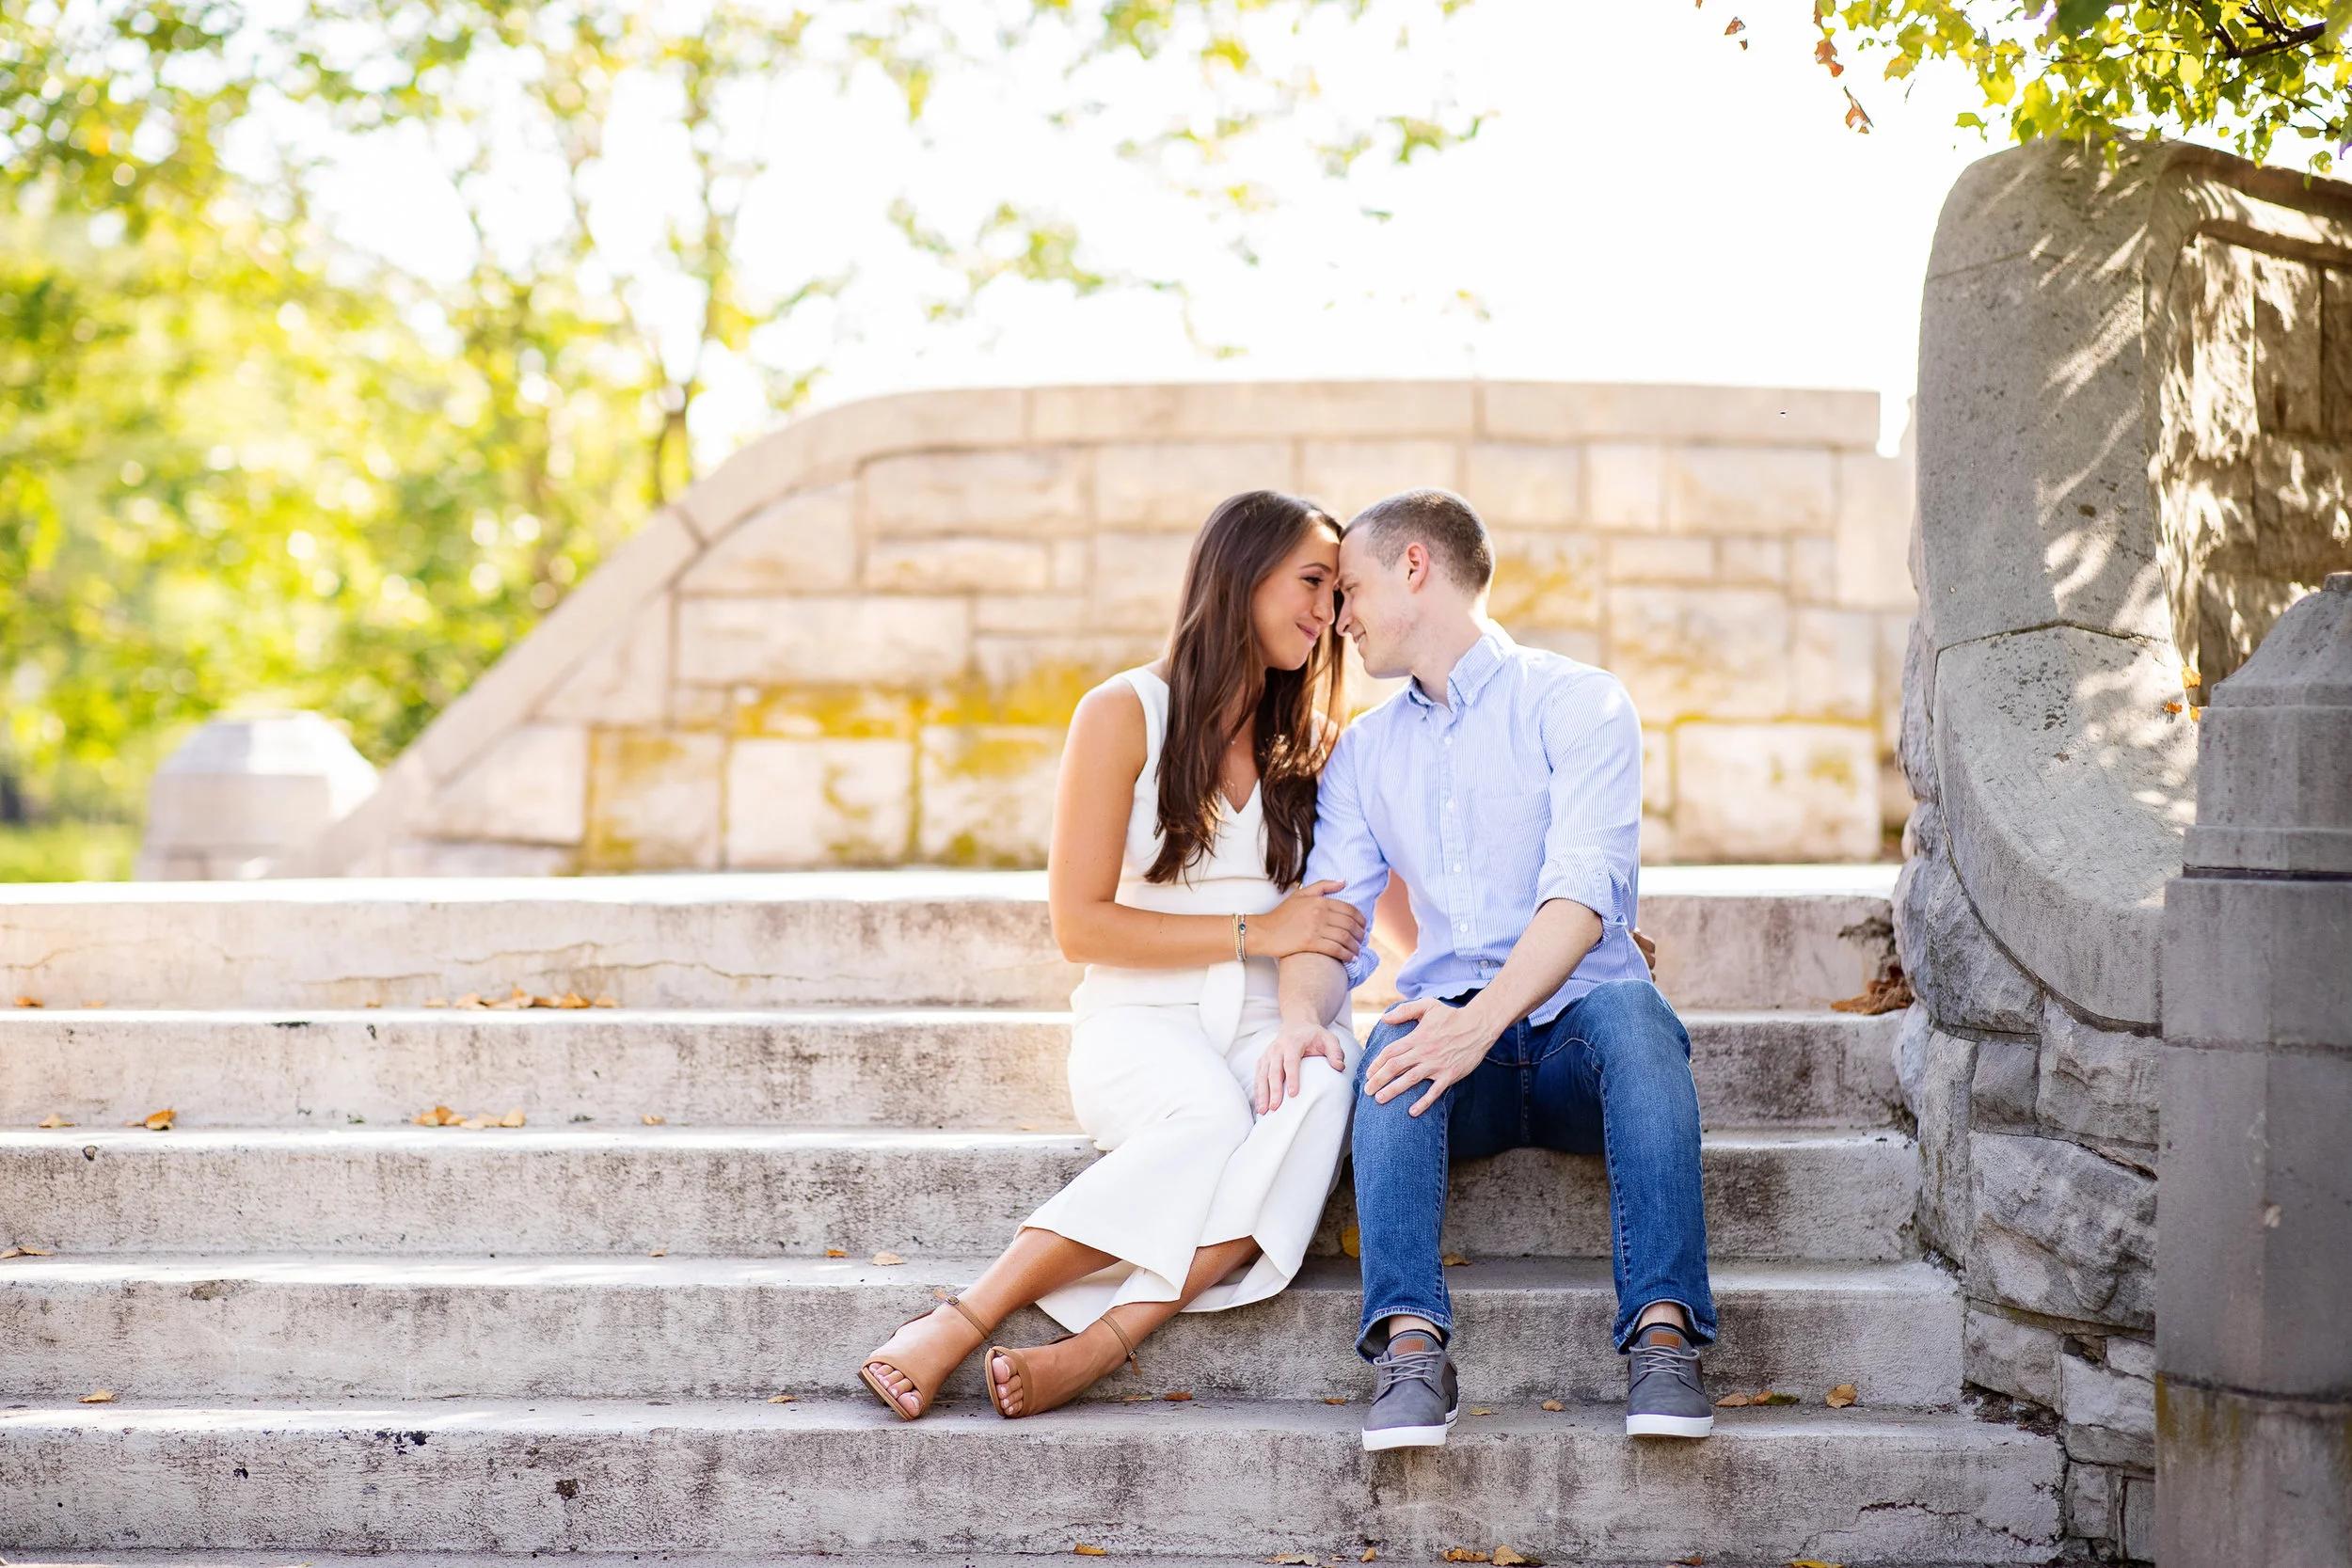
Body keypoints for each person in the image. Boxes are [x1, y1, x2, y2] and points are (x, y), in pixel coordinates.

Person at [857, 489, 1367, 1421]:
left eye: (1337, 593)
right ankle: (967, 1314)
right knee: (1210, 1123)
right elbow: (1080, 926)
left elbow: (1386, 906)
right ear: (1243, 572)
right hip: (1141, 1015)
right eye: (1312, 581)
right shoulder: (1122, 711)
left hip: (1267, 1021)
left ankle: (1095, 1345)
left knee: (1328, 1083)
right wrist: (1259, 930)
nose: (1327, 611)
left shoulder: (1319, 745)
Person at [1261, 487, 1717, 1450]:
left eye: (1350, 591)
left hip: (1576, 1042)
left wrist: (1479, 1022)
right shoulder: (1364, 754)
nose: (1339, 619)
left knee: (1637, 1015)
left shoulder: (1579, 701)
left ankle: (1664, 1337)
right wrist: (1301, 1015)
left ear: (1414, 567)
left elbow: (1581, 900)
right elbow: (1332, 921)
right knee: (1393, 1047)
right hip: (1454, 1057)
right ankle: (1410, 1348)